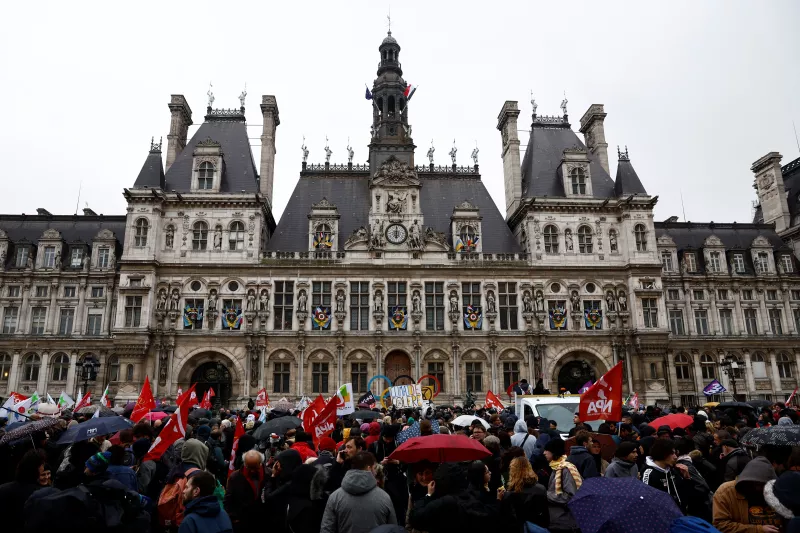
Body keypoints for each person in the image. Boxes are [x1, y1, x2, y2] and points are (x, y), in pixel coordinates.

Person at [321, 451, 397, 533]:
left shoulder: (335, 497)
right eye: (374, 468)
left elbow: (327, 529)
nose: (375, 472)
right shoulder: (384, 497)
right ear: (369, 468)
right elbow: (392, 529)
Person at [713, 456, 780, 533]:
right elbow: (720, 525)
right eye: (757, 484)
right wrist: (758, 530)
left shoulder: (777, 491)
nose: (760, 488)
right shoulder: (725, 492)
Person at [499, 456, 549, 532]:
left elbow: (505, 520)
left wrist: (499, 500)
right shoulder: (541, 489)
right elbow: (546, 518)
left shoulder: (508, 495)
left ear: (512, 471)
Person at [0, 449, 46, 532]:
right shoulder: (39, 495)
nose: (43, 467)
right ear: (36, 468)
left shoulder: (3, 488)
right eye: (42, 464)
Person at [641, 438, 690, 513]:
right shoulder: (649, 473)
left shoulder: (673, 470)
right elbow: (647, 499)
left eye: (675, 453)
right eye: (672, 453)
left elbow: (685, 493)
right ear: (662, 453)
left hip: (680, 515)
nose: (675, 457)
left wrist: (687, 478)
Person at [543, 438, 582, 533]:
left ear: (554, 452)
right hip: (558, 520)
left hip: (565, 522)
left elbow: (570, 496)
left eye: (546, 450)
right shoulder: (556, 467)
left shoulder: (566, 469)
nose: (544, 453)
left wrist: (546, 495)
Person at [225, 450, 267, 533]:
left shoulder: (268, 474)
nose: (252, 471)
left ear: (260, 463)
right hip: (242, 521)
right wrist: (233, 518)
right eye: (249, 467)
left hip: (263, 520)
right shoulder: (235, 477)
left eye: (255, 468)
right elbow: (228, 499)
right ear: (244, 463)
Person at [262, 449, 303, 533]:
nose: (277, 465)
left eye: (279, 462)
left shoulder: (290, 483)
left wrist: (272, 476)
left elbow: (269, 497)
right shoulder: (296, 477)